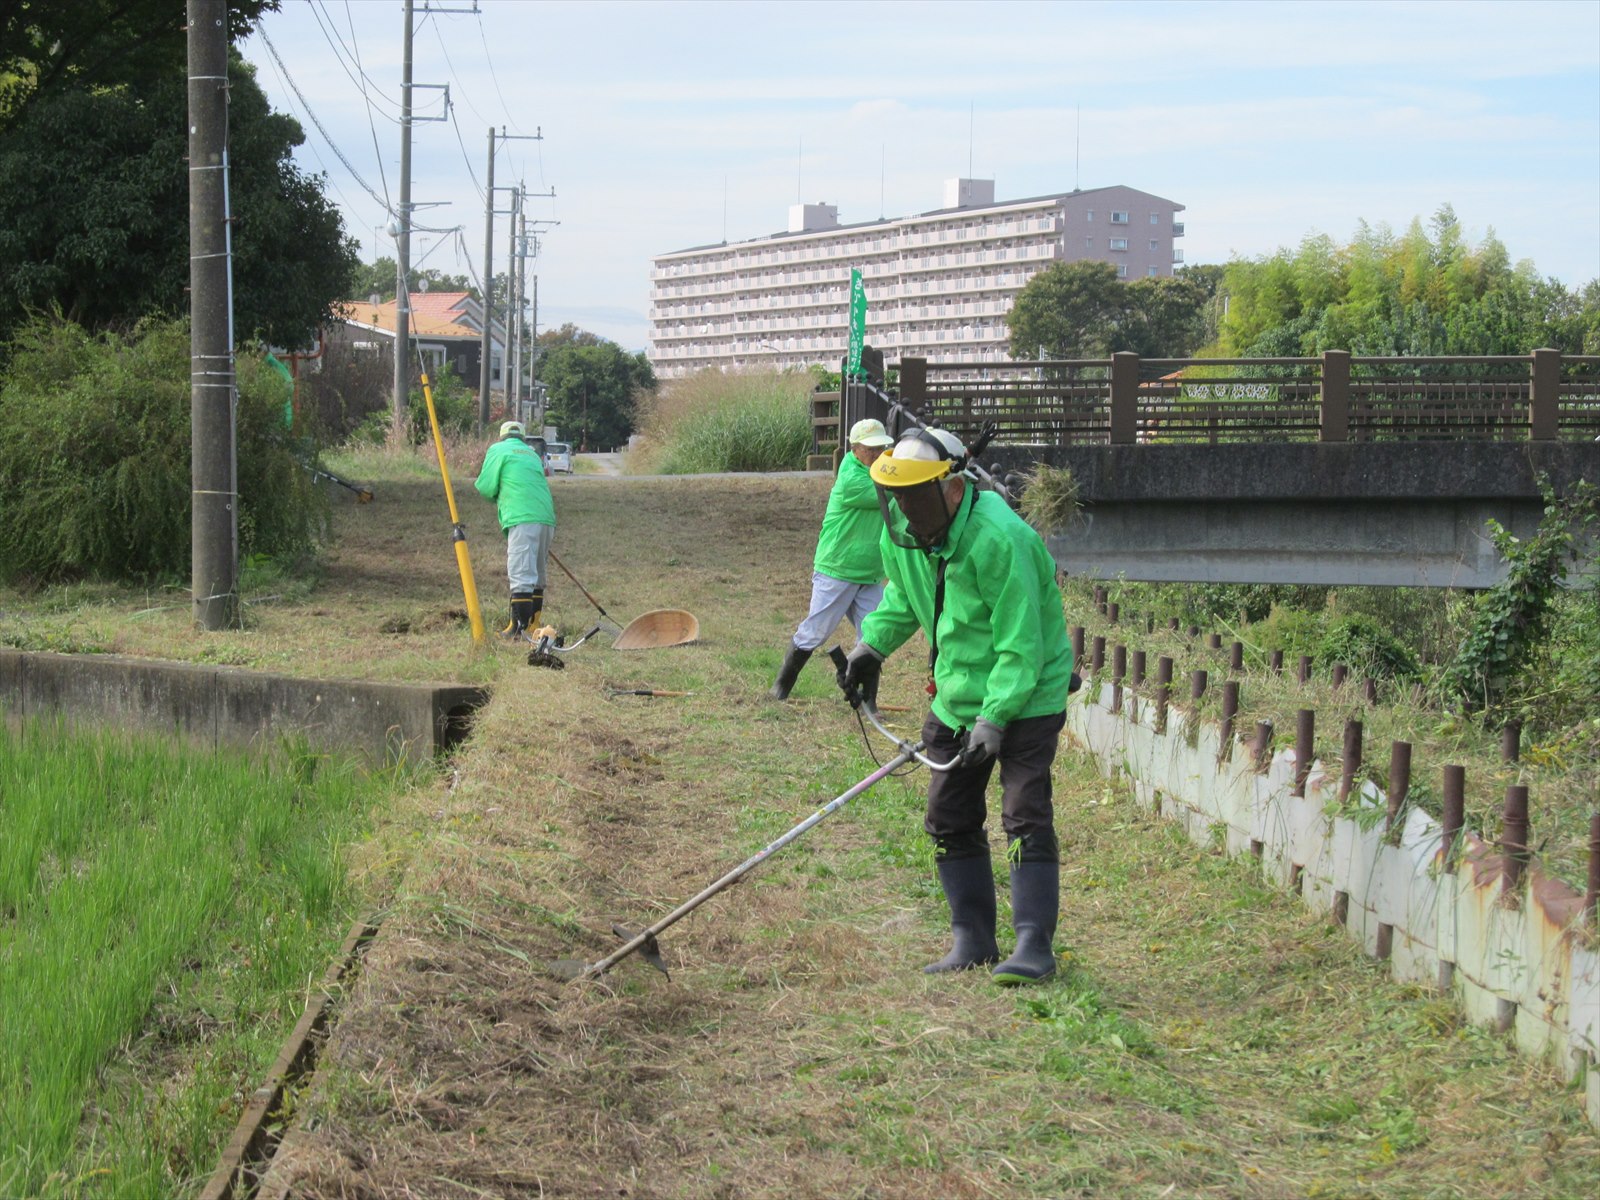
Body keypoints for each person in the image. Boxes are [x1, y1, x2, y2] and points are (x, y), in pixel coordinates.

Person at [842, 428, 1074, 985]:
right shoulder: (906, 535)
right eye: (896, 499)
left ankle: (1033, 946)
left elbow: (1023, 645)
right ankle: (972, 939)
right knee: (949, 816)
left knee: (1024, 812)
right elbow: (902, 598)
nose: (905, 512)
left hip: (1028, 692)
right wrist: (871, 646)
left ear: (951, 488)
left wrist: (995, 718)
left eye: (916, 499)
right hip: (955, 695)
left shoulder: (1001, 540)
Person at [768, 417, 896, 700]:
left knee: (873, 636)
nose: (877, 454)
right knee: (817, 631)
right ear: (855, 448)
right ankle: (780, 689)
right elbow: (892, 495)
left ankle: (868, 703)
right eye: (871, 448)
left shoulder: (880, 470)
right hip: (838, 569)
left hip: (870, 572)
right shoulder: (852, 479)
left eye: (881, 447)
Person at [474, 420, 556, 641]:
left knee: (520, 572)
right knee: (538, 573)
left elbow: (485, 486)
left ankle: (518, 630)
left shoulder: (498, 449)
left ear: (502, 436)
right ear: (522, 437)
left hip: (522, 517)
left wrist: (497, 497)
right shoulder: (531, 454)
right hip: (546, 517)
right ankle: (533, 626)